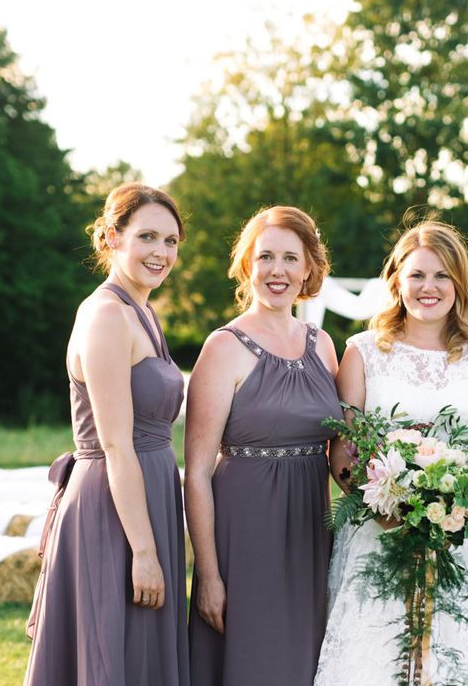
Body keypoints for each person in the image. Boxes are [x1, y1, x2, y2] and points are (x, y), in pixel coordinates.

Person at [315, 220, 468, 685]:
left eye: (441, 276)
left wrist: (463, 508)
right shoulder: (363, 352)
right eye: (416, 275)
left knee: (466, 657)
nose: (428, 288)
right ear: (396, 281)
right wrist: (388, 505)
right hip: (378, 531)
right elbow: (343, 449)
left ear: (459, 283)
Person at [24, 183, 190, 685]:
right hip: (112, 510)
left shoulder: (143, 311)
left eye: (171, 241)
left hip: (150, 496)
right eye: (147, 237)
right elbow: (117, 445)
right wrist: (143, 551)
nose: (161, 252)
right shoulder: (105, 316)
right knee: (110, 651)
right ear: (112, 239)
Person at [185, 206, 342, 685]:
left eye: (291, 258)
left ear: (309, 268)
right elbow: (195, 471)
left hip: (310, 532)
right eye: (266, 257)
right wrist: (209, 576)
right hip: (244, 535)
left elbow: (343, 452)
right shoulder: (223, 346)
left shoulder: (324, 345)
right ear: (247, 265)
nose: (278, 270)